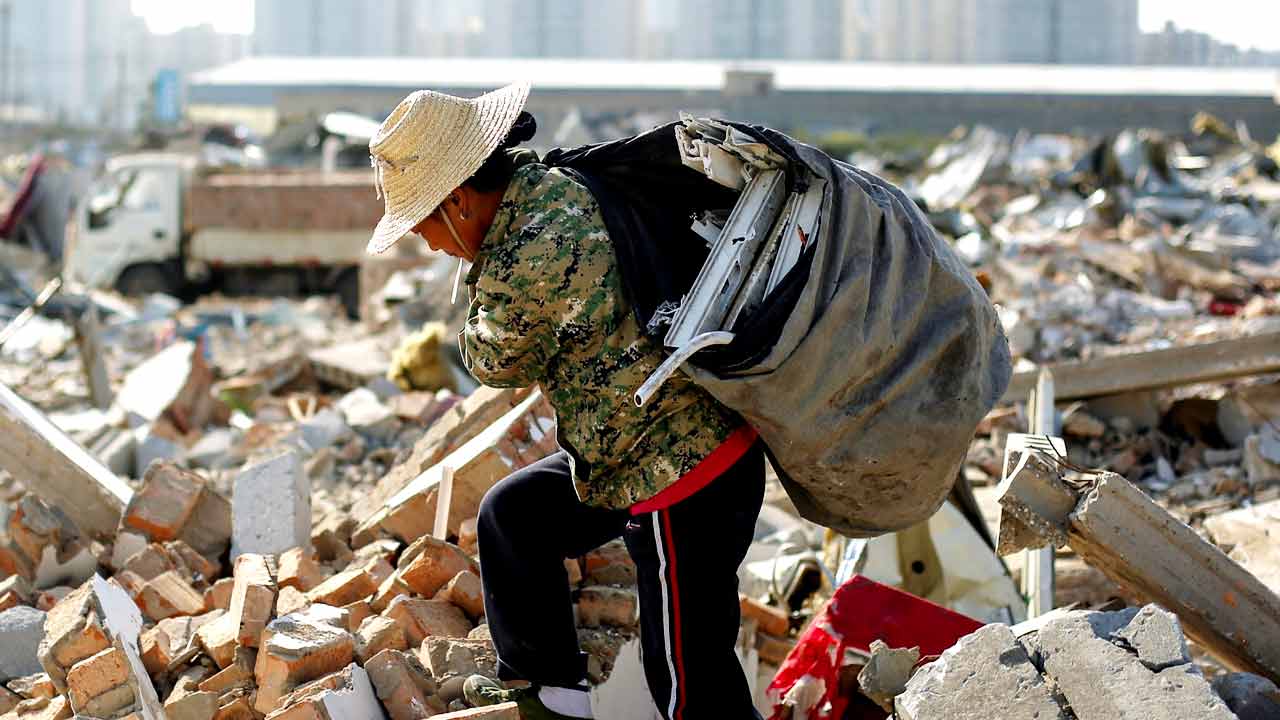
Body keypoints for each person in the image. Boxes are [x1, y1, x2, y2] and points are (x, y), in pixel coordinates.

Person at [366, 82, 766, 720]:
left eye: (424, 227)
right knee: (515, 517)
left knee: (687, 681)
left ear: (459, 200)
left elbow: (493, 362)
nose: (431, 245)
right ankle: (552, 699)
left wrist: (478, 277)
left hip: (683, 470)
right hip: (630, 452)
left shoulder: (530, 249)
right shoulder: (549, 186)